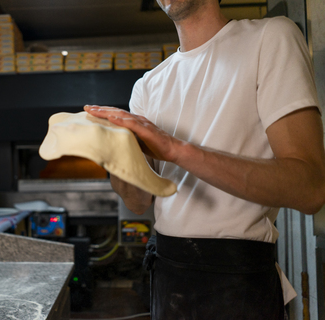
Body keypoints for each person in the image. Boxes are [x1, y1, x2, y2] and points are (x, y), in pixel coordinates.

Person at [84, 0, 325, 318]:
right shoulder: (148, 84)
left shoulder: (271, 37)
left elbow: (309, 190)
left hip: (237, 280)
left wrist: (174, 149)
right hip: (168, 275)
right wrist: (113, 150)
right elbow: (138, 200)